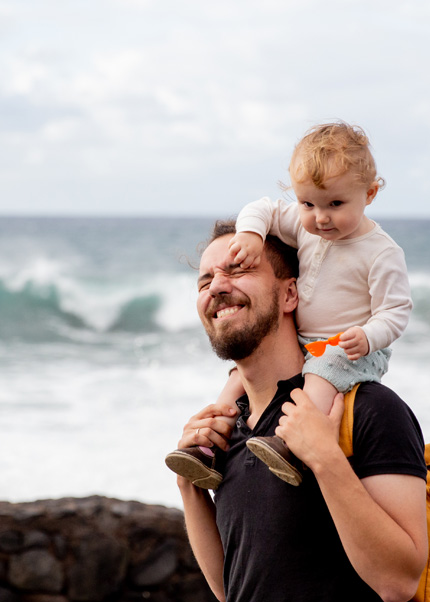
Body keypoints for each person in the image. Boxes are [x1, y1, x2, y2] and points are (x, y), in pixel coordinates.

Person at [174, 220, 428, 602]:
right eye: (205, 280)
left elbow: (398, 581)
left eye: (238, 269)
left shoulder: (368, 409)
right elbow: (232, 590)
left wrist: (325, 459)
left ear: (290, 294)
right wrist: (189, 488)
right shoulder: (230, 431)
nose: (217, 287)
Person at [165, 121, 412, 487]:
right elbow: (261, 208)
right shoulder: (304, 225)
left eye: (335, 204)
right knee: (238, 377)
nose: (321, 217)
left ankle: (291, 447)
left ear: (370, 193)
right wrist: (250, 235)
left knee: (322, 371)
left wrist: (368, 336)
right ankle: (210, 446)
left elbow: (396, 310)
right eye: (307, 203)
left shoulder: (381, 252)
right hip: (307, 340)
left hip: (350, 348)